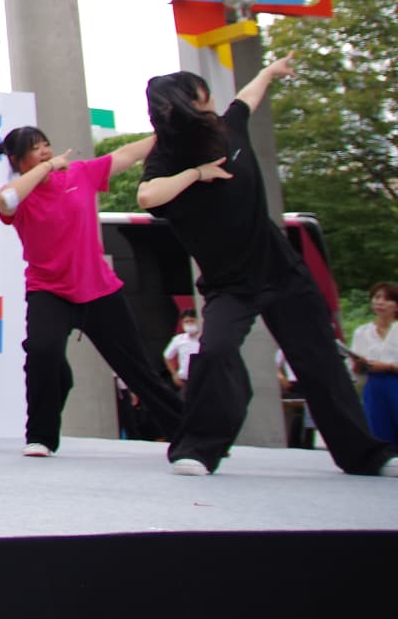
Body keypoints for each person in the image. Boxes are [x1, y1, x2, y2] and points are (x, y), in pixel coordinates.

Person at [137, 61, 397, 477]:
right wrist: (197, 174)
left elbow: (248, 96)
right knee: (216, 352)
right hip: (228, 286)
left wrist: (270, 72)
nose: (213, 100)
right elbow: (148, 196)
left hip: (282, 272)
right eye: (204, 95)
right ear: (183, 105)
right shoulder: (168, 157)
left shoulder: (229, 127)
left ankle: (365, 454)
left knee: (319, 362)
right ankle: (199, 449)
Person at [0, 127, 186, 456]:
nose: (44, 152)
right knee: (42, 354)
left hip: (98, 289)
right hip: (49, 290)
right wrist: (47, 167)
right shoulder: (17, 194)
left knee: (137, 366)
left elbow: (125, 155)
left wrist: (167, 134)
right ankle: (40, 437)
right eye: (34, 149)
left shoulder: (81, 174)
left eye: (46, 145)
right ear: (15, 160)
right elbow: (6, 200)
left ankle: (187, 434)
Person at [351, 282, 398, 442]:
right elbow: (355, 370)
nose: (380, 302)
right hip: (374, 386)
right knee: (379, 433)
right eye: (377, 297)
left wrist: (389, 366)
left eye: (387, 299)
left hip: (395, 382)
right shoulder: (362, 332)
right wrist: (358, 365)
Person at [164, 309, 202, 388]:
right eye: (186, 321)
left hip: (203, 380)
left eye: (192, 321)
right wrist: (174, 374)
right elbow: (167, 356)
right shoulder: (178, 339)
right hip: (185, 381)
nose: (189, 324)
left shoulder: (205, 338)